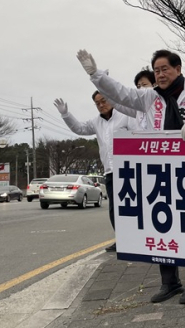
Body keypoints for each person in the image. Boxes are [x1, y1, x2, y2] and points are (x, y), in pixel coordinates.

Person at [76, 48, 185, 305]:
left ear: (178, 69)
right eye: (156, 70)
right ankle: (169, 282)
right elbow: (119, 93)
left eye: (164, 69)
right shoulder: (148, 98)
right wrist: (95, 74)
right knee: (161, 223)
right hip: (157, 170)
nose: (160, 74)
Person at [53, 92, 130, 252]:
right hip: (110, 172)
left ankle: (137, 239)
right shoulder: (96, 122)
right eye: (97, 103)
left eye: (104, 100)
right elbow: (79, 128)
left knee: (131, 206)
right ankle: (122, 240)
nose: (101, 105)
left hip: (129, 170)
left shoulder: (125, 116)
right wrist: (66, 114)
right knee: (114, 209)